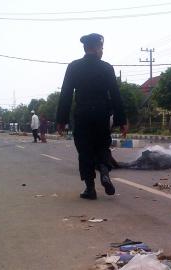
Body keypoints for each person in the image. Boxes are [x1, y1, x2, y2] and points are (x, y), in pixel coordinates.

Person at [56, 33, 127, 200]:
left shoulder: (74, 67)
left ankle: (90, 188)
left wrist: (61, 120)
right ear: (96, 48)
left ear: (85, 48)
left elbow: (65, 94)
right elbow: (116, 95)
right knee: (102, 145)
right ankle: (104, 171)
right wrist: (121, 120)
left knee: (85, 149)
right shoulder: (106, 68)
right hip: (102, 114)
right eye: (101, 48)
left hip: (82, 115)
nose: (102, 51)